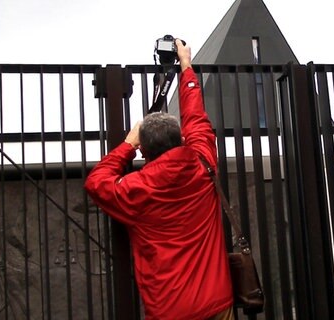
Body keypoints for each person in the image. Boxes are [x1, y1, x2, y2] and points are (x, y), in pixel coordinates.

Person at [84, 39, 234, 320]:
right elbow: (195, 116)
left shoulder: (136, 188)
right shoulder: (202, 161)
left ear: (144, 149)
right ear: (181, 139)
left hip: (169, 309)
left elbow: (96, 182)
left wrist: (127, 145)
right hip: (217, 301)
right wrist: (186, 66)